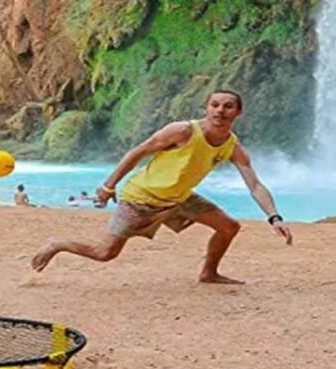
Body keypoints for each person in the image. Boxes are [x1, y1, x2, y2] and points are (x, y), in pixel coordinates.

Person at [31, 90, 293, 283]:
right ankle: (58, 244)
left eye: (227, 106)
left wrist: (274, 217)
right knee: (105, 253)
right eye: (214, 105)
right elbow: (139, 151)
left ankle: (209, 273)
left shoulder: (232, 147)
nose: (220, 111)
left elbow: (255, 185)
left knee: (229, 227)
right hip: (141, 198)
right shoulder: (183, 131)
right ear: (206, 108)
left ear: (238, 113)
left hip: (179, 198)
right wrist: (109, 185)